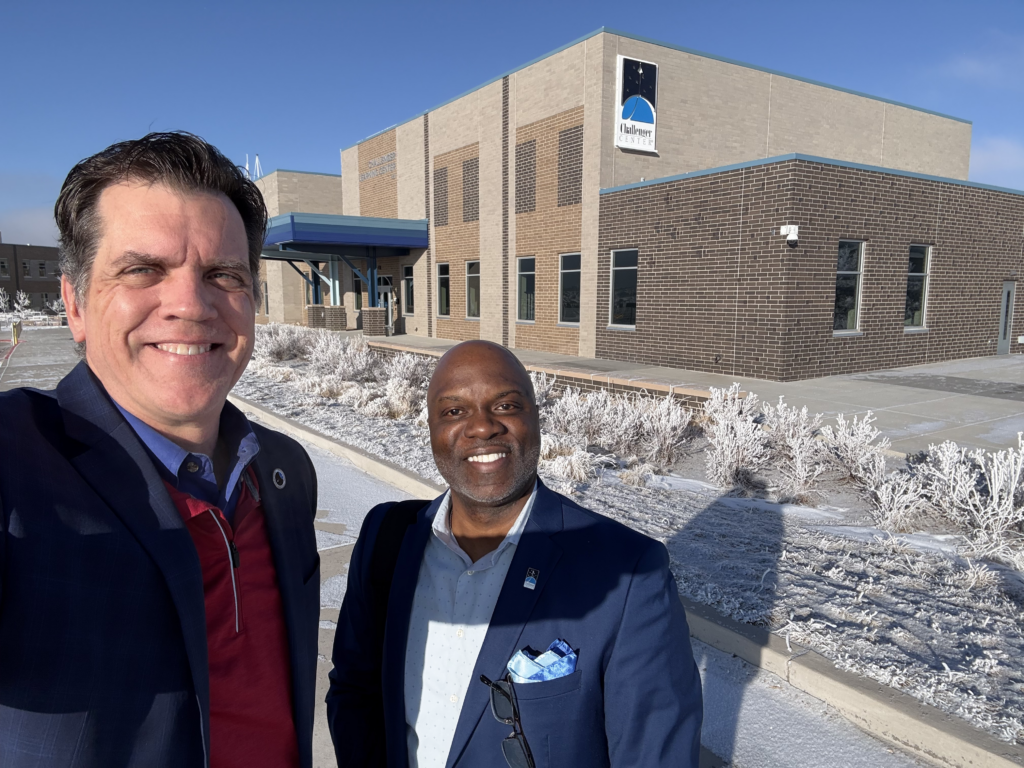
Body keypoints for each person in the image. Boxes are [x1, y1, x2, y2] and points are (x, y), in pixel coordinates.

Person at [0, 133, 320, 768]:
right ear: (75, 305)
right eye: (143, 270)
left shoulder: (282, 470)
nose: (191, 305)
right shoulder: (18, 461)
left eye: (222, 275)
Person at [326, 340, 703, 767]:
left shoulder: (627, 573)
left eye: (505, 406)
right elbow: (354, 691)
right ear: (431, 429)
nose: (482, 427)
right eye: (453, 411)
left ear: (535, 419)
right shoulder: (387, 539)